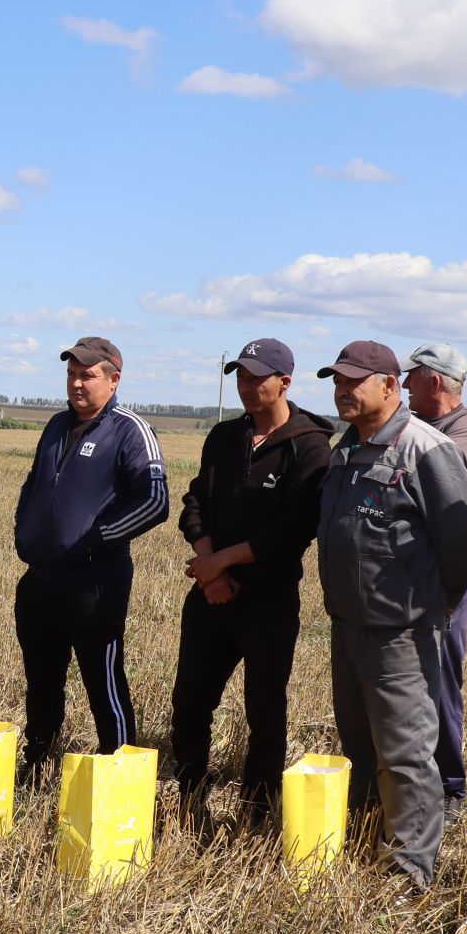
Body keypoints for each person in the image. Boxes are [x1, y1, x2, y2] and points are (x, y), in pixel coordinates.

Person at [316, 340, 467, 895]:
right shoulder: (346, 450)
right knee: (360, 746)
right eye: (337, 382)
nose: (342, 390)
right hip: (347, 627)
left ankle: (409, 873)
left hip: (401, 632)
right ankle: (369, 844)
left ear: (390, 386)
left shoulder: (425, 449)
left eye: (353, 381)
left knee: (407, 755)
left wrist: (438, 600)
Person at [171, 338, 333, 835]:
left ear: (284, 382)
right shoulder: (224, 437)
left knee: (265, 709)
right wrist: (210, 568)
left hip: (267, 601)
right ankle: (188, 798)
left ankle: (257, 812)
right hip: (210, 596)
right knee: (190, 702)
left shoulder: (310, 447)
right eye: (239, 376)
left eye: (255, 378)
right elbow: (195, 501)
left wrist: (220, 561)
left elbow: (293, 530)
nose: (245, 386)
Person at [13, 337, 169, 783]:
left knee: (103, 682)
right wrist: (24, 532)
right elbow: (32, 485)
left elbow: (155, 501)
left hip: (95, 582)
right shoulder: (56, 425)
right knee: (41, 681)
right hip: (40, 578)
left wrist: (95, 539)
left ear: (113, 379)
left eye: (88, 374)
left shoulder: (128, 429)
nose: (77, 382)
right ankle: (38, 762)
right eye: (72, 374)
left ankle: (122, 773)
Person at [402, 342, 467, 822]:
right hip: (407, 568)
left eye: (410, 376)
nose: (401, 385)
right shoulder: (415, 426)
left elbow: (431, 468)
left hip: (447, 572)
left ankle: (451, 785)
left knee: (440, 676)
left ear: (435, 380)